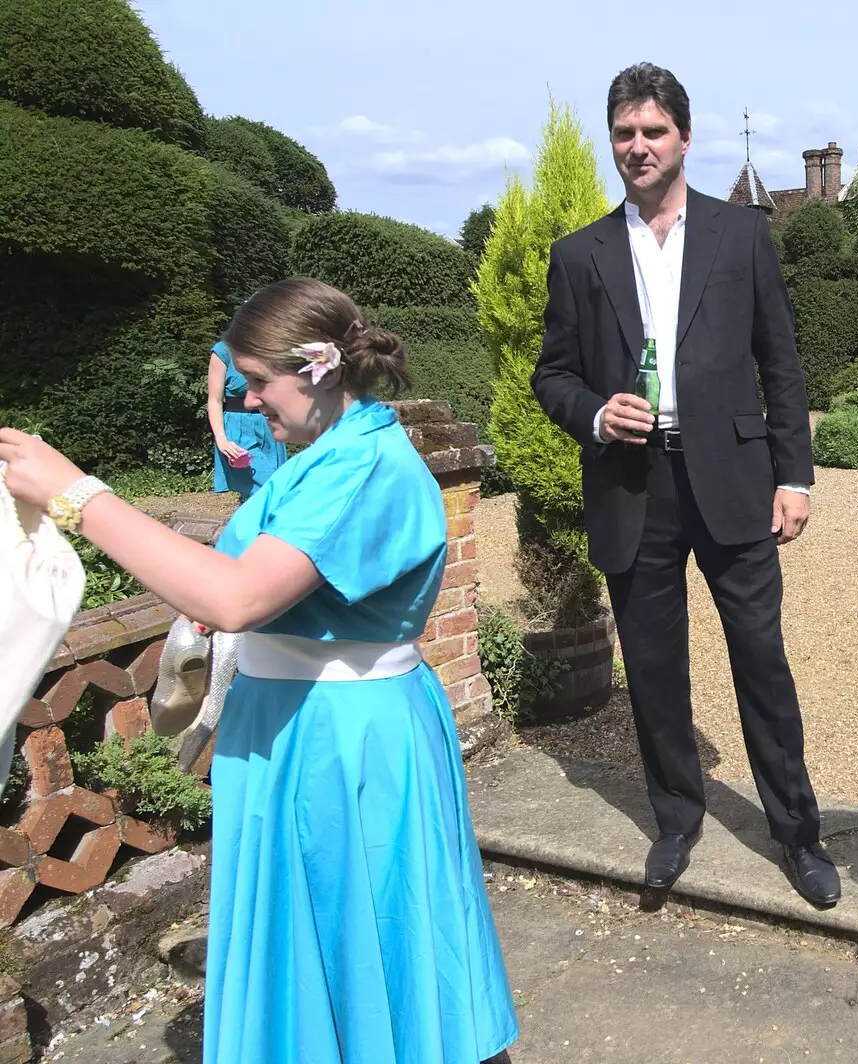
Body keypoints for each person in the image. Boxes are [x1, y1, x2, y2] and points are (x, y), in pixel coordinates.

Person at [0, 277, 518, 1064]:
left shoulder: (364, 467)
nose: (245, 400)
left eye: (256, 381)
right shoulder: (323, 457)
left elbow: (240, 597)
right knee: (308, 932)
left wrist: (80, 497)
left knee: (356, 932)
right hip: (287, 723)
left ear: (317, 369)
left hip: (343, 736)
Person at [531, 63, 839, 909]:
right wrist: (596, 414)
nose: (638, 147)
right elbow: (551, 375)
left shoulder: (740, 236)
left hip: (735, 481)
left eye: (653, 131)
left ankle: (798, 834)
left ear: (684, 139)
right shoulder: (579, 255)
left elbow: (781, 362)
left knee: (762, 663)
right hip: (634, 486)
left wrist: (796, 477)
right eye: (625, 133)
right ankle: (675, 820)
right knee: (655, 668)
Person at [207, 338, 287, 500]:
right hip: (238, 431)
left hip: (270, 426)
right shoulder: (223, 351)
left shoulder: (272, 347)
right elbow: (214, 401)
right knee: (271, 490)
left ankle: (250, 524)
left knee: (265, 493)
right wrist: (221, 439)